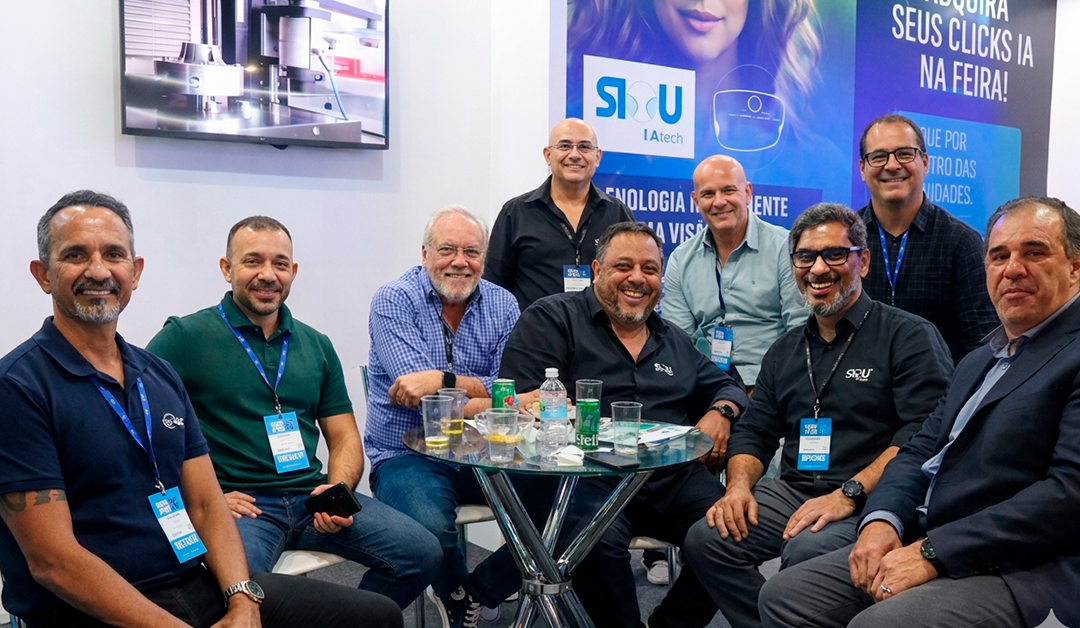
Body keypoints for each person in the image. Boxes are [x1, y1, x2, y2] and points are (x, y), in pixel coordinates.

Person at [0, 190, 401, 628]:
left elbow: (207, 504)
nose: (98, 270)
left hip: (192, 582)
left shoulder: (156, 375)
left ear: (135, 272)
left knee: (376, 617)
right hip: (92, 609)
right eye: (75, 255)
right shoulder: (18, 387)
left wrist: (243, 599)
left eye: (113, 254)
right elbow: (53, 562)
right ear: (43, 274)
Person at [758, 196, 1080, 628]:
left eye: (1034, 252)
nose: (1013, 268)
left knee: (876, 624)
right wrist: (882, 520)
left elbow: (1068, 496)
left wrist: (934, 551)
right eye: (999, 256)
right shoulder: (980, 359)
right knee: (785, 595)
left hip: (1027, 565)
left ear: (1075, 266)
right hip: (933, 531)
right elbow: (918, 451)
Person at [146, 215, 440, 611]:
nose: (268, 275)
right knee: (237, 590)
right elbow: (139, 427)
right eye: (253, 261)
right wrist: (201, 498)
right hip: (242, 505)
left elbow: (344, 436)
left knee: (422, 553)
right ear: (227, 268)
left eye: (280, 263)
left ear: (293, 272)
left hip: (309, 496)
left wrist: (337, 492)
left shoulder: (316, 345)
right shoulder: (184, 338)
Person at [681, 202, 953, 628]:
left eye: (834, 254)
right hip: (795, 491)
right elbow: (754, 431)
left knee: (806, 548)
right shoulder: (785, 350)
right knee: (707, 538)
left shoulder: (908, 336)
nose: (818, 269)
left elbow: (924, 435)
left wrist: (848, 493)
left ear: (862, 262)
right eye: (805, 257)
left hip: (872, 498)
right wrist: (737, 488)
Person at [500, 221, 749, 628]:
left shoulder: (673, 338)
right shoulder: (552, 318)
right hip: (587, 480)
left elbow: (727, 386)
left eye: (650, 269)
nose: (637, 278)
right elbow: (519, 400)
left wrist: (721, 411)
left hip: (671, 478)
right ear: (597, 271)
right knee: (594, 547)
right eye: (623, 266)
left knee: (732, 534)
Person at [365, 205, 546, 628]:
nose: (460, 262)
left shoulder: (503, 303)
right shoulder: (393, 299)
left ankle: (482, 588)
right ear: (425, 253)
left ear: (484, 257)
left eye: (472, 252)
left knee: (567, 504)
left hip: (489, 450)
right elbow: (420, 397)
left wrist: (442, 380)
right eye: (447, 250)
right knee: (429, 529)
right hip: (408, 454)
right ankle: (453, 593)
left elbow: (506, 386)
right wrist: (502, 397)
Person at [856, 113, 999, 363]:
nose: (892, 165)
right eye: (878, 156)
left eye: (904, 154)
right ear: (862, 169)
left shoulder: (961, 243)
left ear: (924, 163)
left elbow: (981, 345)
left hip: (937, 385)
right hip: (858, 382)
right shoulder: (846, 240)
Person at [662, 154, 808, 391]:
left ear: (747, 193)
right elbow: (679, 343)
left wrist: (769, 393)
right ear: (695, 200)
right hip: (708, 387)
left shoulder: (785, 248)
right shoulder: (681, 259)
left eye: (728, 190)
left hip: (773, 385)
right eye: (708, 194)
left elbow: (801, 331)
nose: (719, 202)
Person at [484, 118, 634, 311]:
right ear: (548, 155)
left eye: (584, 147)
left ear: (597, 157)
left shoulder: (617, 214)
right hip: (535, 328)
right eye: (565, 146)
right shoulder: (516, 213)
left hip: (601, 329)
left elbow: (631, 278)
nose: (575, 155)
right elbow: (494, 287)